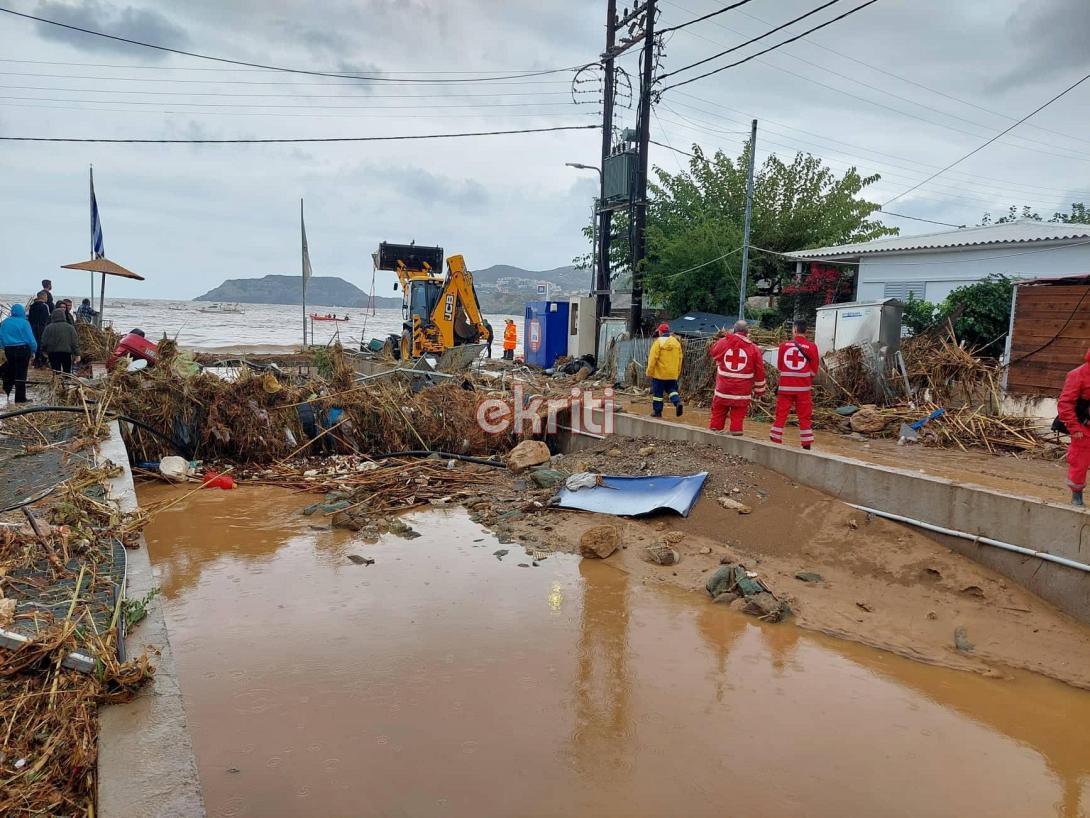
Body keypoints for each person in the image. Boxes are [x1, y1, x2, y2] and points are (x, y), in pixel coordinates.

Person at [707, 320, 765, 436]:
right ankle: (736, 433)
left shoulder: (723, 342)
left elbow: (713, 352)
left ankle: (713, 435)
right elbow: (760, 371)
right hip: (742, 391)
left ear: (734, 330)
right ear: (747, 332)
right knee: (738, 414)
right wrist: (759, 390)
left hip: (723, 389)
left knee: (718, 412)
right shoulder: (754, 348)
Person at [770, 319, 820, 450]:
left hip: (785, 388)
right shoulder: (812, 347)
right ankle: (806, 443)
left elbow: (780, 366)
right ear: (806, 331)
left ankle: (775, 440)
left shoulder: (783, 346)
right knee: (804, 416)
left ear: (794, 330)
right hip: (803, 389)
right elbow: (814, 370)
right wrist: (804, 378)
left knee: (781, 414)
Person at [1058, 347, 1090, 507]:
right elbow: (1065, 403)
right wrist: (1074, 428)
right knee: (1079, 462)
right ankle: (1077, 496)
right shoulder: (1077, 374)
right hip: (1083, 428)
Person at [1, 303, 37, 403]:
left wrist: (3, 347)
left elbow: (1, 337)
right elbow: (31, 339)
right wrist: (34, 350)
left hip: (9, 350)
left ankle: (6, 393)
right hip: (23, 349)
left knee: (11, 371)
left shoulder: (5, 322)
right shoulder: (25, 323)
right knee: (21, 373)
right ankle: (20, 398)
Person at [646, 322, 684, 417]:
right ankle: (677, 402)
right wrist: (677, 372)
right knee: (672, 390)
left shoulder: (658, 342)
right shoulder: (676, 343)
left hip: (659, 374)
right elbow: (680, 359)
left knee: (658, 394)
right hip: (672, 374)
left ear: (660, 332)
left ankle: (657, 412)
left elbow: (652, 359)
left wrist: (649, 372)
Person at [40, 308, 81, 374]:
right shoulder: (70, 327)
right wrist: (77, 354)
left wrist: (43, 350)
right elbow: (74, 342)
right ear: (64, 316)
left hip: (53, 353)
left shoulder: (48, 328)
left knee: (56, 371)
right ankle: (66, 379)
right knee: (67, 371)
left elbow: (44, 341)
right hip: (66, 353)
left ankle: (57, 380)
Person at [27, 290, 51, 367]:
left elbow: (30, 318)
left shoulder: (32, 306)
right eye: (46, 297)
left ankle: (36, 360)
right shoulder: (45, 306)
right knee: (42, 343)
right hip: (42, 327)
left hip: (33, 327)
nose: (47, 298)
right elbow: (47, 318)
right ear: (43, 297)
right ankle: (42, 361)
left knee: (35, 342)